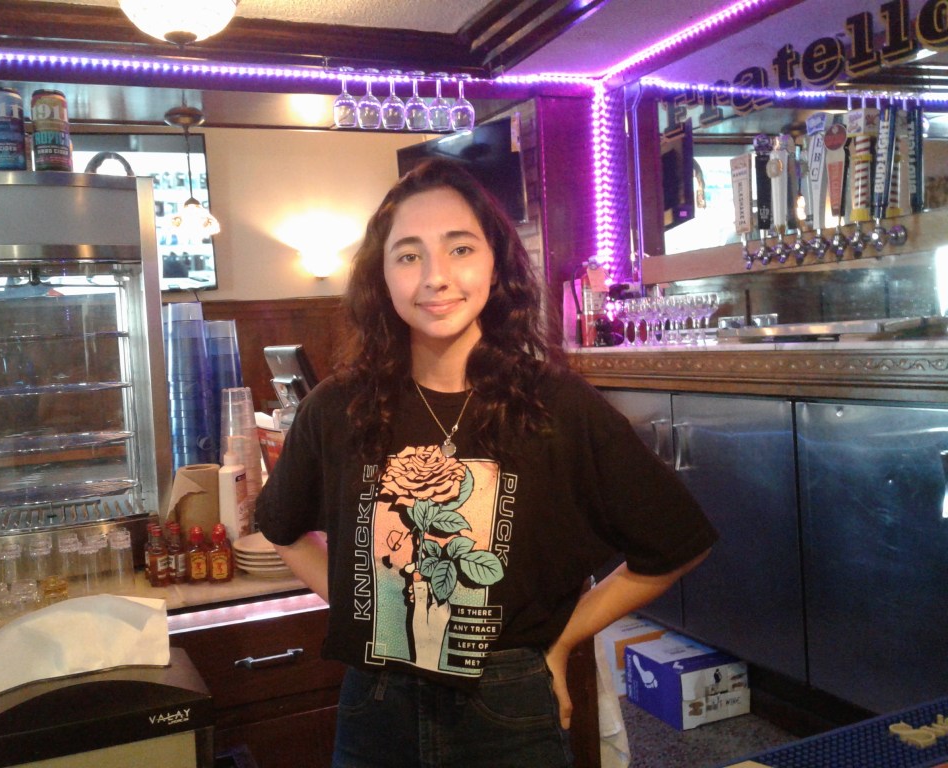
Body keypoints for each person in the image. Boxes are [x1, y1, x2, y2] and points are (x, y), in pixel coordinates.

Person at [256, 158, 716, 768]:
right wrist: (361, 605)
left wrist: (562, 641)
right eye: (409, 255)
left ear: (495, 263)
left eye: (460, 249)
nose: (436, 277)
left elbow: (678, 541)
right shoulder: (337, 407)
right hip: (376, 702)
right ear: (381, 277)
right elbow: (282, 526)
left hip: (507, 698)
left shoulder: (555, 405)